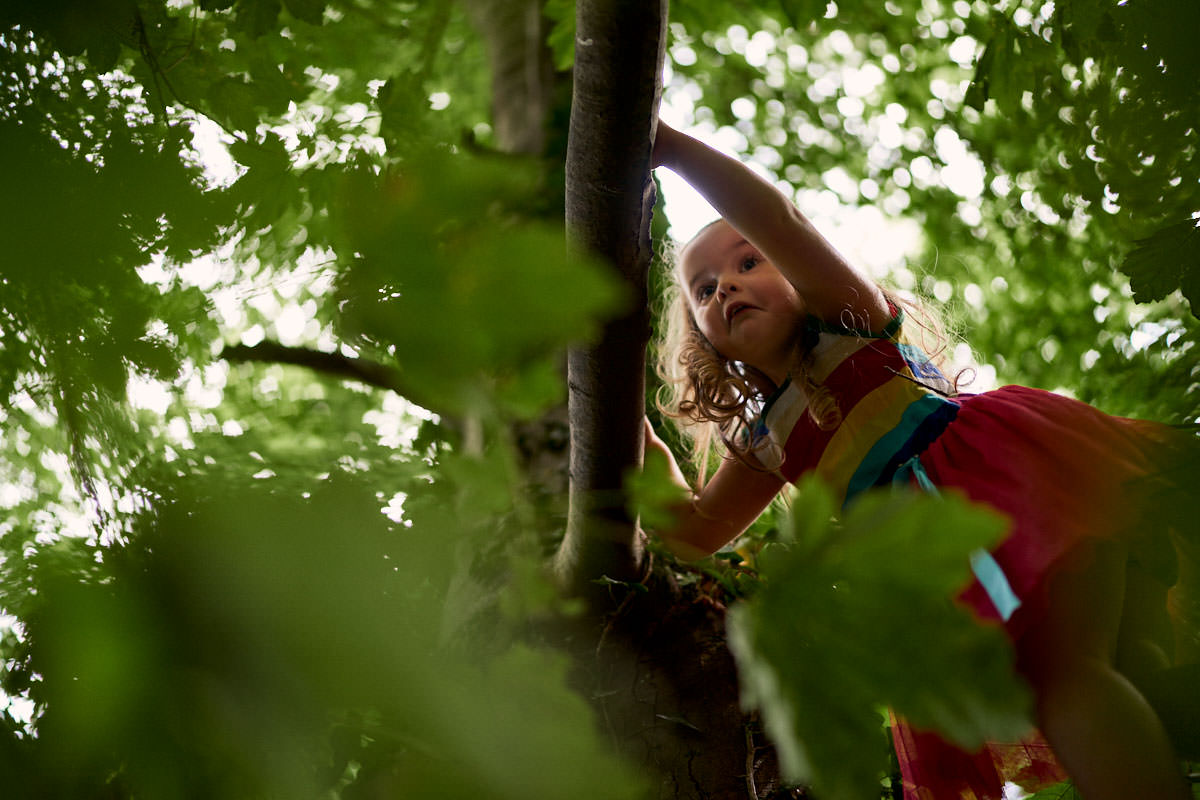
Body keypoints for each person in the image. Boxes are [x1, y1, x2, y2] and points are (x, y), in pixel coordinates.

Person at [644, 120, 1195, 800]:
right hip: (928, 568)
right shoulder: (767, 442)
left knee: (1067, 676)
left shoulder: (853, 321)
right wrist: (623, 425)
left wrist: (669, 148)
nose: (723, 286)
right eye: (702, 289)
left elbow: (774, 215)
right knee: (1124, 670)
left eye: (747, 261)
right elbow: (693, 529)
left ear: (794, 269)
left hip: (999, 488)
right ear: (703, 337)